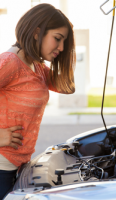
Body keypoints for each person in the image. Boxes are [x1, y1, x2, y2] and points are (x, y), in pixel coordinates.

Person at [0, 3, 76, 198]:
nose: (60, 47)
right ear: (37, 32)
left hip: (17, 166)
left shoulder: (36, 67)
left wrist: (67, 51)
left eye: (64, 42)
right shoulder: (10, 63)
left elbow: (68, 86)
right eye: (57, 39)